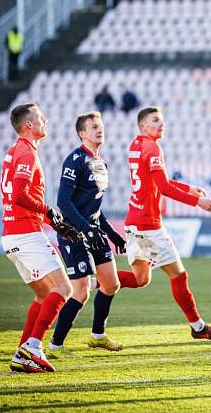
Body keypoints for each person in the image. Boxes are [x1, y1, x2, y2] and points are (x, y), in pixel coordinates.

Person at [120, 107, 211, 340]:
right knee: (179, 276)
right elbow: (164, 188)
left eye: (162, 120)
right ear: (143, 126)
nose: (162, 124)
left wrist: (188, 187)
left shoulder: (135, 146)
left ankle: (89, 282)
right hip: (149, 225)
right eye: (155, 120)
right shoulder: (153, 147)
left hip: (132, 221)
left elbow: (159, 180)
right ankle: (199, 327)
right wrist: (197, 201)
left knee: (140, 279)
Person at [1, 103, 80, 373]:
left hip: (12, 235)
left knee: (43, 295)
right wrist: (48, 211)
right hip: (26, 235)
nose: (45, 120)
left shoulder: (15, 151)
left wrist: (54, 222)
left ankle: (23, 352)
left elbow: (22, 199)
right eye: (40, 117)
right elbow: (20, 196)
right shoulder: (26, 153)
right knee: (64, 289)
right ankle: (33, 347)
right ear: (29, 125)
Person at [48, 112, 135, 359]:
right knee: (82, 291)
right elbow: (63, 201)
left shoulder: (101, 163)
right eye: (94, 127)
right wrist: (86, 229)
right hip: (74, 235)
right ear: (82, 133)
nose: (100, 130)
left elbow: (95, 207)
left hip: (93, 232)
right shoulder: (74, 160)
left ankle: (97, 337)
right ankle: (55, 347)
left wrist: (111, 233)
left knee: (111, 284)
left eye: (101, 126)